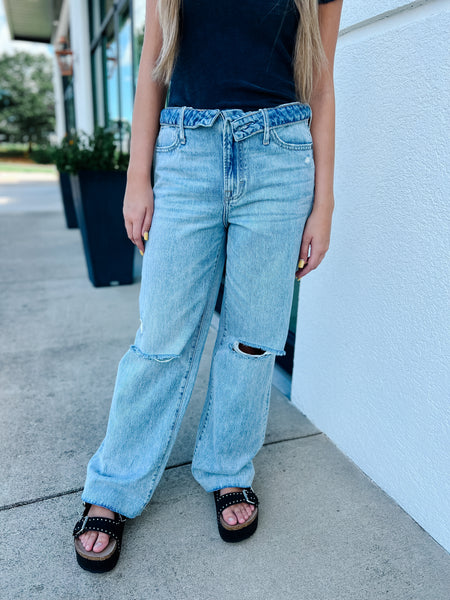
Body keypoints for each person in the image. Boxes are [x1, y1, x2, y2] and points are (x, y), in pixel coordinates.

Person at [73, 0, 343, 573]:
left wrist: (325, 203)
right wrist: (137, 178)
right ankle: (114, 485)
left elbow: (320, 87)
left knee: (252, 339)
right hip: (185, 155)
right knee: (161, 336)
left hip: (279, 159)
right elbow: (152, 70)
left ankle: (228, 469)